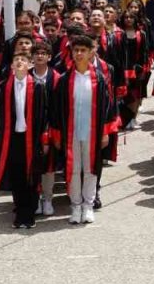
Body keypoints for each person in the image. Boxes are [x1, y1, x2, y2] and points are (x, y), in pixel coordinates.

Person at [49, 33, 119, 225]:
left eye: (83, 50)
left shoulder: (99, 78)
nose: (79, 53)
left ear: (90, 53)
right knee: (72, 169)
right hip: (70, 132)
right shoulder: (64, 80)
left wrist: (105, 131)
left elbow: (107, 106)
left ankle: (88, 206)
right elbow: (56, 109)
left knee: (90, 170)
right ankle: (75, 206)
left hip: (92, 132)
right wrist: (56, 134)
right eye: (76, 50)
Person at [0, 52, 50, 229]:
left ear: (30, 65)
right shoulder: (2, 88)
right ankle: (20, 212)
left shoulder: (38, 86)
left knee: (31, 175)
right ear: (11, 66)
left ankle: (29, 213)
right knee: (17, 175)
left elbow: (45, 114)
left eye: (23, 60)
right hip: (12, 137)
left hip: (32, 137)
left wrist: (45, 138)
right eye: (16, 60)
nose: (19, 62)